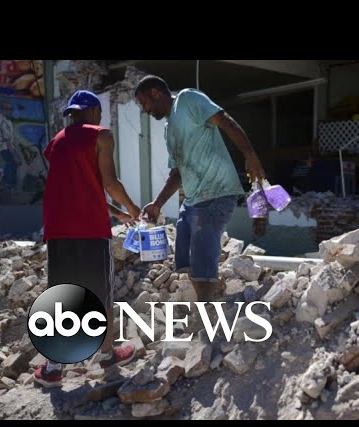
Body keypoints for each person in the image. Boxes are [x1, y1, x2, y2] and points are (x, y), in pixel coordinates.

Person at [34, 90, 141, 388]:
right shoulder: (101, 135)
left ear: (72, 114)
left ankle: (53, 369)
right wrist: (133, 208)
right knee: (100, 292)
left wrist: (116, 213)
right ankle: (107, 357)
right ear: (95, 111)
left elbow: (79, 187)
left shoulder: (57, 141)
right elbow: (109, 183)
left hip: (58, 230)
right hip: (91, 231)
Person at [134, 75, 266, 303]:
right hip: (192, 201)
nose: (144, 110)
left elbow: (226, 121)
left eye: (144, 102)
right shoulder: (168, 129)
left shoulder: (188, 99)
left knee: (202, 267)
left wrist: (250, 157)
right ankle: (209, 301)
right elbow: (177, 173)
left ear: (156, 92)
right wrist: (157, 204)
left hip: (216, 194)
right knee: (186, 263)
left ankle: (206, 313)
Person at [0, 99, 22, 190]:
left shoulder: (7, 120)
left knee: (12, 164)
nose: (9, 111)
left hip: (8, 147)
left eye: (10, 109)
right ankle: (9, 185)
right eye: (6, 109)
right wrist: (15, 156)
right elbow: (7, 142)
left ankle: (9, 185)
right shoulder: (3, 122)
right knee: (11, 163)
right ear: (2, 109)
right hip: (5, 148)